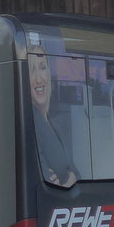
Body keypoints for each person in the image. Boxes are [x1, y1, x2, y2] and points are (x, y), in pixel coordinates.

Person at [29, 47, 78, 187]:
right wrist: (70, 178)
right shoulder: (29, 122)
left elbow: (76, 171)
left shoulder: (54, 124)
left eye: (42, 68)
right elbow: (47, 184)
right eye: (31, 70)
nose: (38, 78)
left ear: (49, 73)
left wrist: (71, 178)